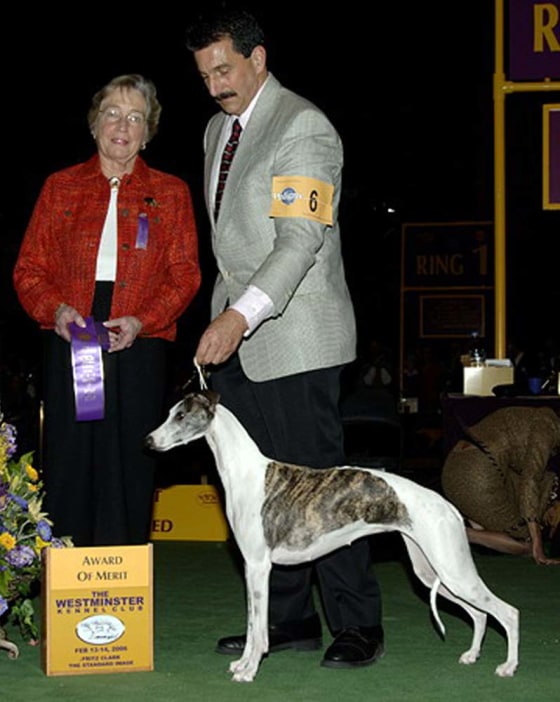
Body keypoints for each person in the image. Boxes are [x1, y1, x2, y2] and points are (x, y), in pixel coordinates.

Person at [185, 8, 384, 669]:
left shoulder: (304, 126)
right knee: (261, 496)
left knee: (323, 492)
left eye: (225, 69)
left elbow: (300, 243)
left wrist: (238, 316)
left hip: (295, 335)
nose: (215, 85)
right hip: (237, 338)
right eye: (205, 74)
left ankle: (358, 626)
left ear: (259, 58)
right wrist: (226, 317)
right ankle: (287, 623)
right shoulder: (219, 131)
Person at [13, 74, 201, 547]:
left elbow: (185, 275)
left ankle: (124, 582)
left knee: (130, 466)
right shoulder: (60, 187)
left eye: (135, 117)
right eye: (113, 114)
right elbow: (28, 269)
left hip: (140, 342)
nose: (123, 125)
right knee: (70, 461)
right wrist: (54, 311)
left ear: (148, 131)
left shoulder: (172, 192)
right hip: (70, 335)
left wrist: (144, 320)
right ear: (95, 123)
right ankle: (67, 573)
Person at [441, 406, 560, 565]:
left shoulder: (537, 418)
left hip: (452, 468)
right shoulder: (548, 427)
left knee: (516, 510)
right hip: (477, 473)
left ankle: (473, 523)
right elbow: (530, 479)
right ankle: (459, 533)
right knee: (526, 543)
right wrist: (536, 540)